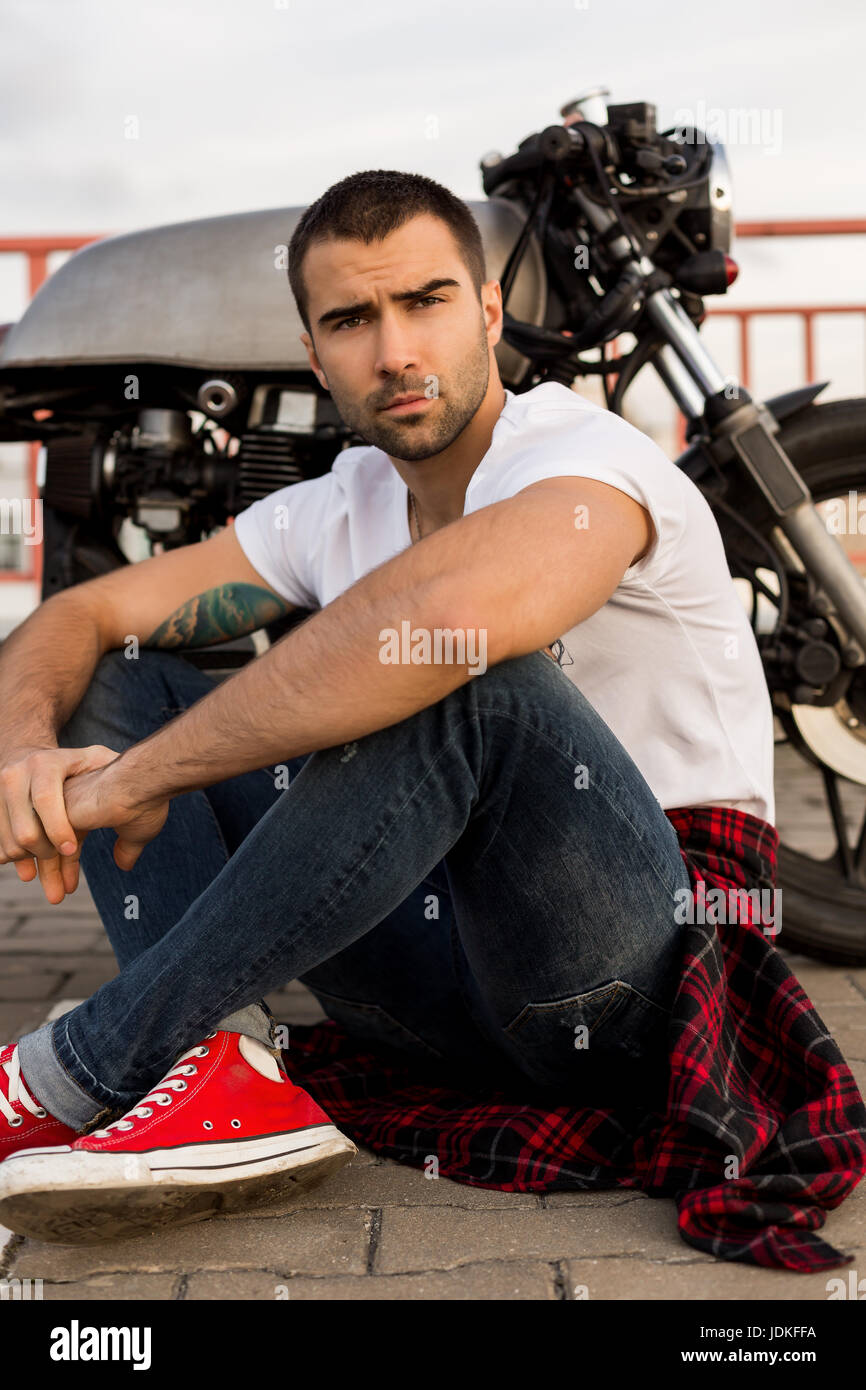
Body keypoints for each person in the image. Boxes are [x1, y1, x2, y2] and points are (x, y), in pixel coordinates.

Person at [0, 169, 776, 1246]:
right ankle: (206, 1068)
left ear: (491, 313)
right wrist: (29, 755)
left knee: (464, 674)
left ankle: (83, 1065)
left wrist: (140, 779)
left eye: (426, 302)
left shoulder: (586, 460)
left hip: (625, 975)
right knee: (117, 670)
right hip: (427, 970)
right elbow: (80, 615)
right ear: (313, 356)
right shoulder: (338, 502)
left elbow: (454, 622)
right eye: (352, 319)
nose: (395, 351)